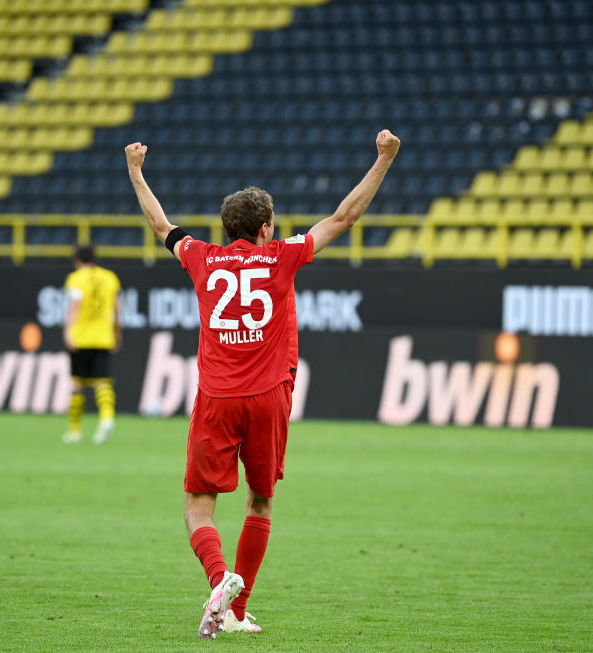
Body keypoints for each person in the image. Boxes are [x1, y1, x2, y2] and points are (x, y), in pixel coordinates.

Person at [125, 130, 400, 638]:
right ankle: (233, 605)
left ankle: (217, 581)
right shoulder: (282, 257)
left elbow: (159, 223)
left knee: (198, 505)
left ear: (227, 230)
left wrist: (137, 173)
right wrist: (383, 159)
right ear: (266, 228)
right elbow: (344, 217)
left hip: (216, 398)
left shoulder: (201, 257)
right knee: (260, 502)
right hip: (270, 397)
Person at [62, 244, 122, 445]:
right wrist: (116, 333)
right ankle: (106, 418)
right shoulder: (110, 278)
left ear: (77, 261)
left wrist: (68, 331)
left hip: (81, 336)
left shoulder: (76, 279)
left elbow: (74, 306)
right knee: (102, 380)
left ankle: (75, 430)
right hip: (103, 336)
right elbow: (116, 309)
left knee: (77, 383)